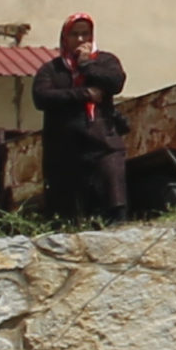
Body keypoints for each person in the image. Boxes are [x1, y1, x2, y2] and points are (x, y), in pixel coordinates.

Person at [31, 15, 129, 221]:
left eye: (86, 34)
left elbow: (116, 82)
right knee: (68, 212)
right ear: (65, 38)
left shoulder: (106, 62)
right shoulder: (52, 69)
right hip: (66, 150)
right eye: (75, 34)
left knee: (113, 193)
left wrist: (86, 65)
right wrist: (83, 94)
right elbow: (42, 97)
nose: (81, 39)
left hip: (103, 143)